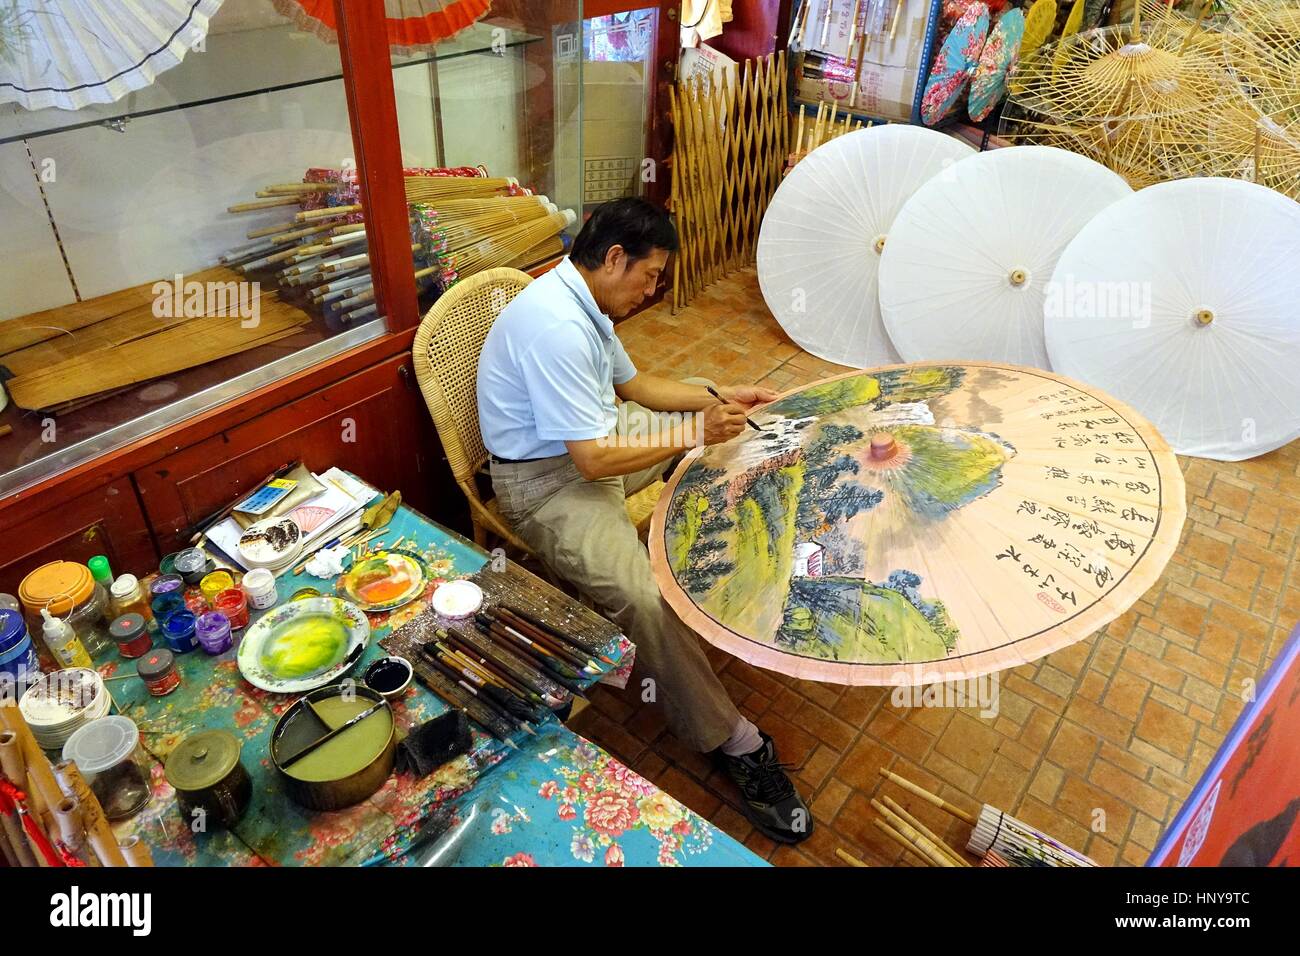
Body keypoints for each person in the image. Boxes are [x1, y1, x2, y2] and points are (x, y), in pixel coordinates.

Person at [477, 198, 812, 844]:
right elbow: (594, 460)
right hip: (547, 486)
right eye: (651, 275)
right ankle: (737, 743)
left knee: (714, 421)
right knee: (643, 598)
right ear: (613, 258)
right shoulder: (558, 326)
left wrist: (721, 396)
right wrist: (693, 426)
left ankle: (726, 567)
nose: (654, 290)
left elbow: (639, 388)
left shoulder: (585, 302)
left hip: (593, 441)